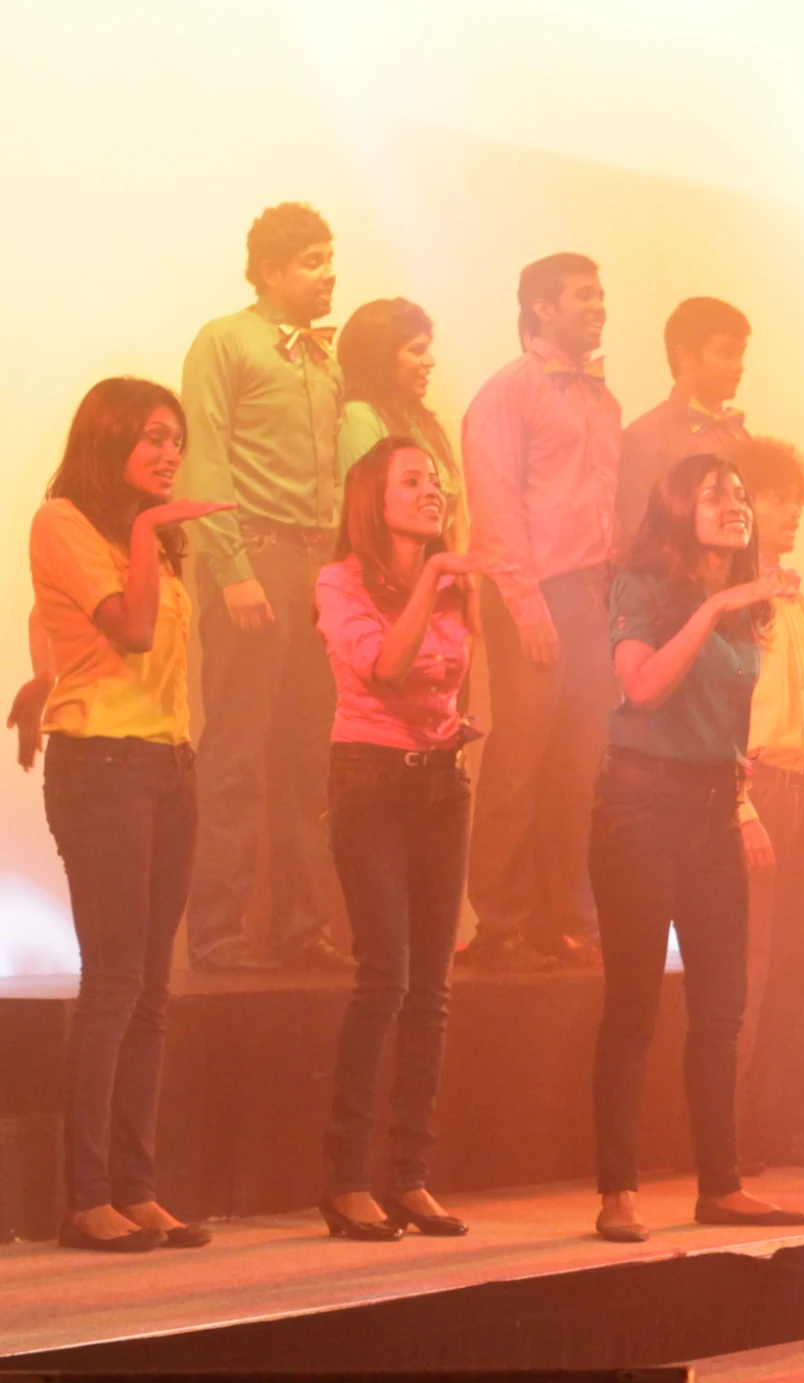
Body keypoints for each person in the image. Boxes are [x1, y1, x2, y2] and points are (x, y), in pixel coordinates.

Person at [27, 378, 231, 1250]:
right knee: (114, 983)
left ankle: (138, 1186)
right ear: (108, 440)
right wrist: (151, 528)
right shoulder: (66, 518)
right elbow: (134, 631)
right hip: (103, 767)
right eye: (151, 437)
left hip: (165, 766)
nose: (168, 452)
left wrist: (42, 674)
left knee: (153, 988)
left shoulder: (151, 537)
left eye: (176, 438)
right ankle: (87, 1196)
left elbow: (69, 632)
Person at [589, 455, 804, 1243]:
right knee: (635, 1005)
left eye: (741, 495)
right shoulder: (641, 586)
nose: (736, 506)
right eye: (717, 495)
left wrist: (744, 803)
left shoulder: (749, 608)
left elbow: (730, 724)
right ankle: (618, 1189)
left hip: (713, 805)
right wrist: (716, 603)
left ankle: (721, 1184)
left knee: (721, 1007)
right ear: (678, 507)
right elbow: (642, 688)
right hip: (641, 805)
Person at [313, 437, 494, 1242]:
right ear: (371, 498)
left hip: (439, 783)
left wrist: (459, 725)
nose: (434, 491)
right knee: (384, 974)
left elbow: (447, 677)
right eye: (413, 481)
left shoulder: (453, 587)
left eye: (438, 480)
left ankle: (411, 1176)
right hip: (370, 781)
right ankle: (348, 1178)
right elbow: (384, 668)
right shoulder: (340, 581)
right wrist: (432, 578)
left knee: (434, 986)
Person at [180, 202, 347, 972]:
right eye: (312, 260)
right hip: (255, 557)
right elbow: (204, 458)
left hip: (317, 568)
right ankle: (217, 930)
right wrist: (233, 567)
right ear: (271, 270)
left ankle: (301, 927)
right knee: (238, 751)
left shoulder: (322, 357)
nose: (327, 273)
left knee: (307, 754)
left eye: (328, 257)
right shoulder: (225, 339)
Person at [460, 253, 622, 972]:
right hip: (533, 591)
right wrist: (526, 607)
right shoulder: (507, 391)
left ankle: (561, 916)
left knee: (578, 764)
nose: (599, 306)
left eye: (601, 295)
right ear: (542, 309)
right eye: (584, 296)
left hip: (593, 596)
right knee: (520, 759)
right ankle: (499, 918)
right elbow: (496, 509)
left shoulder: (601, 397)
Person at [735, 437, 804, 1169]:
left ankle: (781, 1123)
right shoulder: (733, 604)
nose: (791, 513)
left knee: (802, 969)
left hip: (799, 796)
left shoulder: (800, 606)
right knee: (749, 970)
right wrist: (740, 806)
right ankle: (733, 1131)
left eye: (798, 502)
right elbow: (721, 718)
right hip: (746, 791)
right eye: (778, 499)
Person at [614, 298, 752, 557]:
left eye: (741, 354)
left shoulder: (740, 435)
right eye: (725, 353)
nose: (739, 366)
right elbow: (638, 537)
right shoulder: (644, 438)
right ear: (685, 356)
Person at [336, 298, 466, 544]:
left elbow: (458, 515)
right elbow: (366, 523)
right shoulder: (360, 417)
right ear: (380, 358)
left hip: (447, 572)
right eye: (417, 350)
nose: (430, 361)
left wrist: (464, 576)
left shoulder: (424, 422)